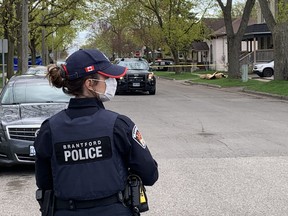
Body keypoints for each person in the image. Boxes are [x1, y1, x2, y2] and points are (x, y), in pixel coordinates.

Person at [34, 49, 159, 216]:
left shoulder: (49, 128)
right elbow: (149, 174)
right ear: (89, 84)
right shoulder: (119, 125)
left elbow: (44, 183)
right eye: (106, 78)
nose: (112, 81)